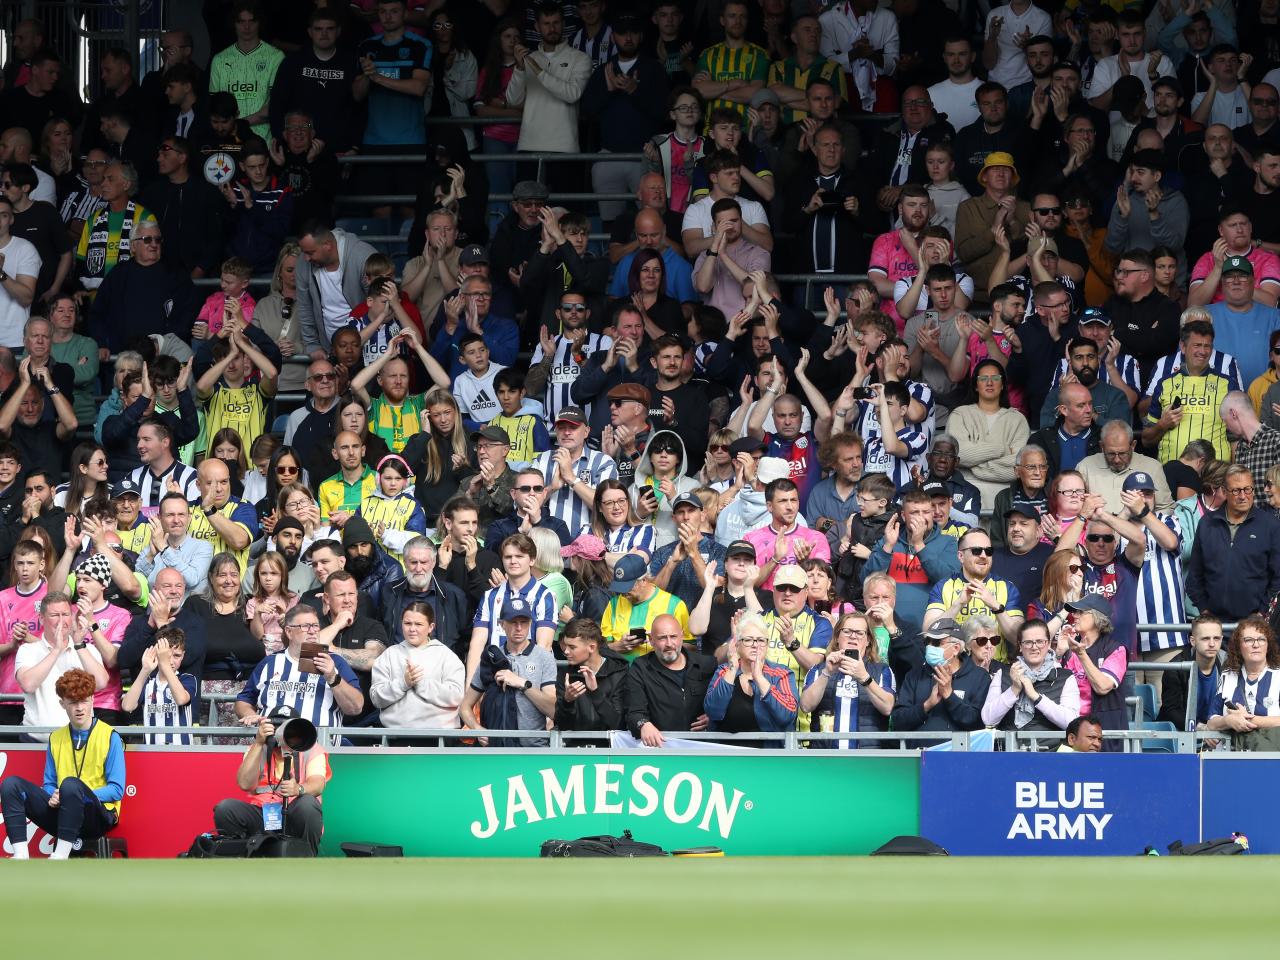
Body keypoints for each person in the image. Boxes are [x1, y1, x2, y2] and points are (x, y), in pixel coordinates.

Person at [0, 668, 123, 858]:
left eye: (84, 701)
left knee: (70, 785)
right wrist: (54, 795)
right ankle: (21, 855)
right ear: (62, 704)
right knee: (11, 785)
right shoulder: (56, 738)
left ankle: (61, 855)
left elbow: (116, 790)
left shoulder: (110, 737)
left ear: (92, 700)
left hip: (98, 815)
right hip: (62, 810)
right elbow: (49, 784)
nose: (79, 708)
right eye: (73, 703)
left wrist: (73, 794)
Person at [213, 704, 329, 854]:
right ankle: (244, 858)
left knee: (307, 803)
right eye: (277, 727)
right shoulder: (258, 748)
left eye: (290, 728)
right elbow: (244, 783)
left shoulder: (311, 749)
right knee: (226, 809)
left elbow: (318, 784)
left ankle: (306, 859)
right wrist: (259, 742)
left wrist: (299, 789)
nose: (284, 733)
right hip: (263, 814)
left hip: (295, 815)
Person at [234, 603, 363, 728]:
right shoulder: (270, 663)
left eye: (315, 626)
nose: (312, 631)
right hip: (273, 744)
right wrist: (249, 714)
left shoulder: (335, 661)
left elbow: (356, 707)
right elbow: (244, 700)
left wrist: (333, 677)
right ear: (289, 632)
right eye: (306, 626)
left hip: (320, 745)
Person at [460, 595, 558, 747]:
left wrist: (522, 683)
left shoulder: (544, 658)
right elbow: (465, 707)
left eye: (524, 622)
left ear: (531, 623)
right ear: (501, 624)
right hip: (498, 751)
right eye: (513, 622)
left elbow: (552, 710)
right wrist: (477, 729)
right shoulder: (492, 657)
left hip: (534, 750)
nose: (519, 628)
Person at [1187, 464, 1280, 621]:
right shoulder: (1207, 524)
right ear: (1224, 491)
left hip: (1255, 623)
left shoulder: (1270, 525)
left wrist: (1262, 612)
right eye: (1236, 490)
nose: (1243, 496)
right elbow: (1195, 575)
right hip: (1214, 625)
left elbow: (1278, 577)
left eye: (1248, 489)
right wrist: (1203, 609)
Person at [14, 591, 108, 736]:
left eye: (65, 615)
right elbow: (28, 684)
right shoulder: (28, 650)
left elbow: (101, 683)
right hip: (36, 743)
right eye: (54, 615)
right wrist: (56, 650)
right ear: (41, 619)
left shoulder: (86, 649)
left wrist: (78, 645)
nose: (61, 620)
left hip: (79, 740)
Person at [369, 599, 465, 739]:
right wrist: (403, 683)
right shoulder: (389, 654)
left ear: (431, 627)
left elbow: (456, 696)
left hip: (440, 738)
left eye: (418, 624)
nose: (412, 629)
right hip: (395, 737)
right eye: (407, 623)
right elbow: (376, 698)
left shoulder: (447, 656)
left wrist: (421, 683)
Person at [801, 611, 895, 749]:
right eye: (847, 631)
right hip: (825, 756)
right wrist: (826, 673)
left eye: (859, 633)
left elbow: (887, 708)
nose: (853, 636)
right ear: (837, 637)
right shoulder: (818, 670)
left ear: (868, 639)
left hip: (868, 757)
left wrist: (864, 677)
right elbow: (805, 706)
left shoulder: (882, 670)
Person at [890, 617, 992, 744]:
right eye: (927, 641)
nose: (930, 647)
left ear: (955, 648)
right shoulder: (914, 675)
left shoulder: (979, 677)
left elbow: (978, 723)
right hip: (920, 756)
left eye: (937, 643)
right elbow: (898, 721)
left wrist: (949, 696)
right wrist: (926, 705)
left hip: (961, 757)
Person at [981, 619, 1080, 745]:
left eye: (1040, 642)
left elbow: (1071, 722)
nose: (1034, 647)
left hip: (1050, 755)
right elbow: (988, 719)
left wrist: (1036, 697)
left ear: (1048, 644)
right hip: (1008, 755)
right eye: (1028, 642)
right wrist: (1014, 689)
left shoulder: (1065, 677)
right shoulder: (1003, 673)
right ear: (1020, 646)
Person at [704, 611, 798, 741]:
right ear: (737, 644)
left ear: (767, 645)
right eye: (748, 640)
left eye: (761, 640)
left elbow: (788, 715)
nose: (755, 645)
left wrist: (759, 678)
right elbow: (713, 711)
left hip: (769, 754)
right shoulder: (723, 671)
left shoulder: (781, 674)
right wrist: (732, 670)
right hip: (727, 754)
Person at [1055, 593, 1128, 749]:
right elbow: (1054, 688)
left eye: (1080, 612)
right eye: (1074, 612)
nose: (1074, 615)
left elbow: (1102, 686)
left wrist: (1081, 654)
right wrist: (1059, 654)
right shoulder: (1069, 649)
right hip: (1070, 731)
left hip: (1103, 736)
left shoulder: (1115, 649)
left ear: (1097, 617)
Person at [1205, 615, 1280, 749]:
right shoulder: (1228, 675)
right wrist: (1228, 720)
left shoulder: (1278, 675)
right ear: (1239, 646)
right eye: (1248, 640)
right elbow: (1211, 721)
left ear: (1268, 645)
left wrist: (1249, 720)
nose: (1256, 645)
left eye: (1261, 639)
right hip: (1232, 753)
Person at [599, 553, 691, 659]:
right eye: (619, 587)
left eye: (627, 587)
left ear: (643, 580)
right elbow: (603, 647)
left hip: (656, 672)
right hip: (621, 671)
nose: (622, 593)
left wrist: (660, 642)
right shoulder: (613, 604)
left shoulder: (674, 605)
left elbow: (691, 647)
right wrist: (618, 646)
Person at [120, 625, 196, 745]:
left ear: (183, 655)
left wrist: (164, 663)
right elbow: (127, 706)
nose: (170, 661)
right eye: (166, 656)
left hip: (181, 752)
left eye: (176, 655)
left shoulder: (187, 679)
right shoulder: (148, 681)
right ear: (156, 653)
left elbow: (181, 699)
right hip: (152, 752)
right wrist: (145, 670)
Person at [554, 617, 627, 735]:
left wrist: (595, 692)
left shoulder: (618, 673)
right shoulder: (565, 675)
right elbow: (562, 726)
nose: (566, 652)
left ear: (592, 647)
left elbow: (618, 724)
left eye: (572, 647)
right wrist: (567, 701)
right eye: (566, 646)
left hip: (609, 748)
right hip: (576, 748)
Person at [1158, 614, 1224, 731]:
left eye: (1216, 638)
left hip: (1217, 731)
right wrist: (1200, 727)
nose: (1212, 644)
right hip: (1180, 732)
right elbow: (1171, 711)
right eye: (1205, 638)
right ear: (1193, 641)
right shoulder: (1176, 667)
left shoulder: (1228, 664)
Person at [992, 503, 1054, 609]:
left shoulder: (1051, 556)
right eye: (1012, 524)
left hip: (1036, 621)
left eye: (1023, 524)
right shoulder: (992, 557)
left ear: (1038, 531)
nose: (1016, 528)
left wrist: (1058, 538)